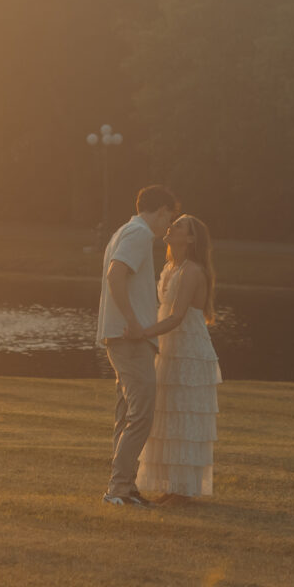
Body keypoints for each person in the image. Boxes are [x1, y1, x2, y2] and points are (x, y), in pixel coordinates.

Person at [98, 184, 178, 507]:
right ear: (160, 211)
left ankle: (124, 488)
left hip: (121, 336)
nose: (167, 226)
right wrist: (132, 321)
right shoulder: (140, 234)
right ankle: (118, 490)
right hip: (129, 337)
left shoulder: (124, 231)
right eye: (168, 218)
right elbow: (115, 276)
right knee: (142, 414)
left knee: (128, 413)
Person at [137, 214, 219, 502]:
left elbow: (177, 316)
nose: (171, 226)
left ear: (192, 239)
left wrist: (143, 334)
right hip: (169, 347)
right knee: (167, 413)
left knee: (185, 414)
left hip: (188, 350)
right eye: (172, 223)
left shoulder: (192, 271)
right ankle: (170, 486)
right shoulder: (171, 267)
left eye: (180, 225)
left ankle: (184, 489)